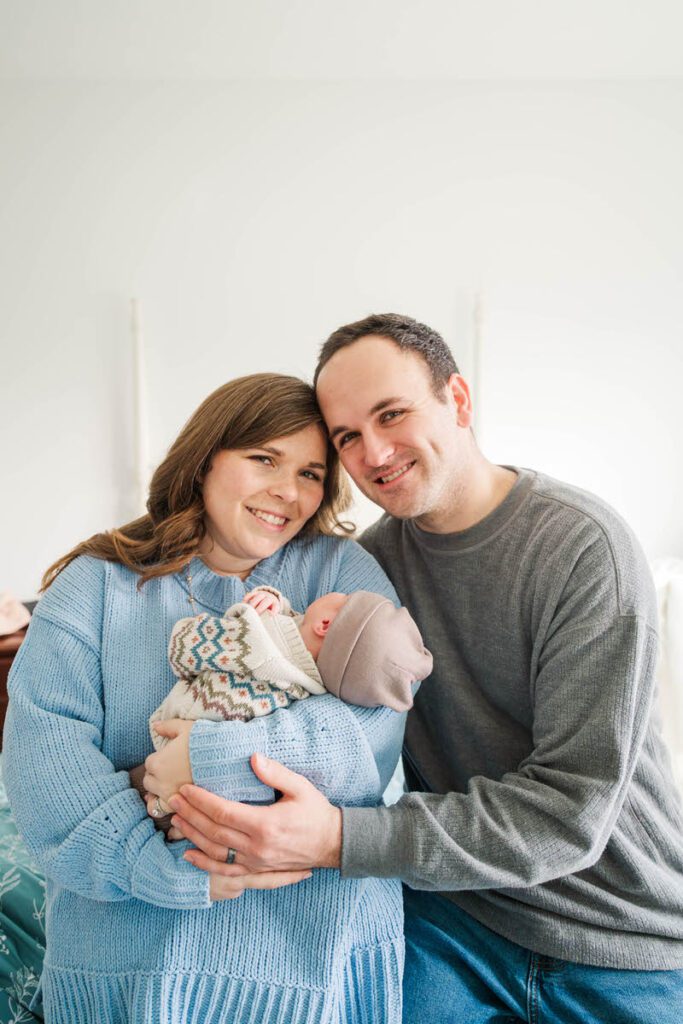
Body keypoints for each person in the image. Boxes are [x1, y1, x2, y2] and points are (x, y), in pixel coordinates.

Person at [166, 316, 683, 1024]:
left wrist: (337, 839)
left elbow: (570, 814)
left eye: (391, 414)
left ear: (459, 401)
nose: (373, 452)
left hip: (619, 928)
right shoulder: (363, 571)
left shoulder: (580, 547)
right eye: (346, 437)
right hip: (454, 918)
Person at [3, 372, 413, 1024]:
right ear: (204, 460)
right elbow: (46, 767)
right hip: (132, 963)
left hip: (316, 963)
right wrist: (169, 871)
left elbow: (373, 731)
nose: (288, 490)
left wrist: (206, 758)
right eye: (263, 459)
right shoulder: (94, 586)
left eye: (311, 473)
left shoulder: (342, 574)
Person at [143, 585, 431, 823]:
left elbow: (183, 649)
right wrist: (276, 602)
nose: (338, 594)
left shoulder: (258, 645)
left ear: (325, 624)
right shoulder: (310, 688)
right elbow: (297, 628)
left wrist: (242, 620)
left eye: (344, 599)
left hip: (176, 735)